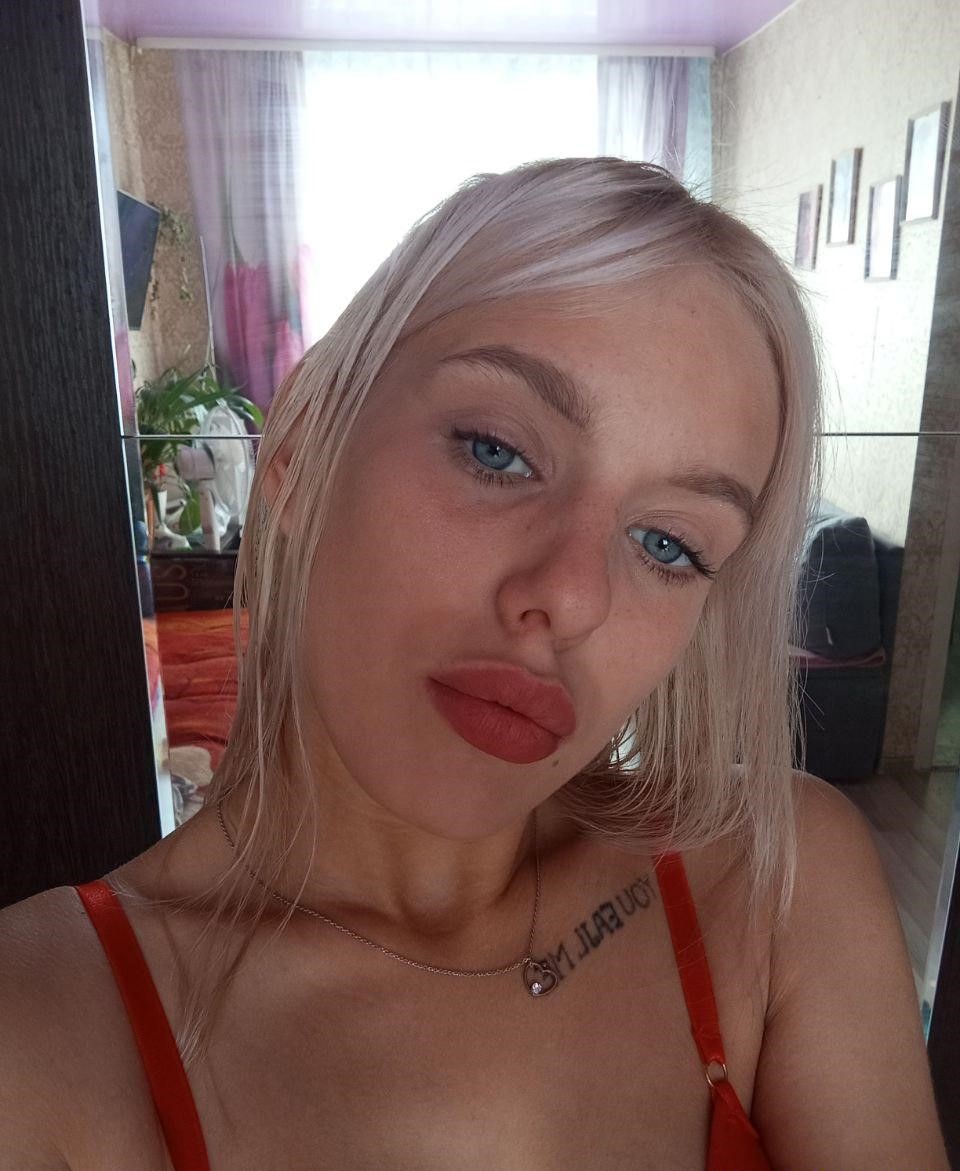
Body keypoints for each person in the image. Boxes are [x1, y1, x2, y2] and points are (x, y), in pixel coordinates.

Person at [0, 158, 948, 1170]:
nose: (572, 596)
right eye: (497, 451)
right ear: (303, 448)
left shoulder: (779, 881)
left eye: (668, 543)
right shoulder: (43, 1032)